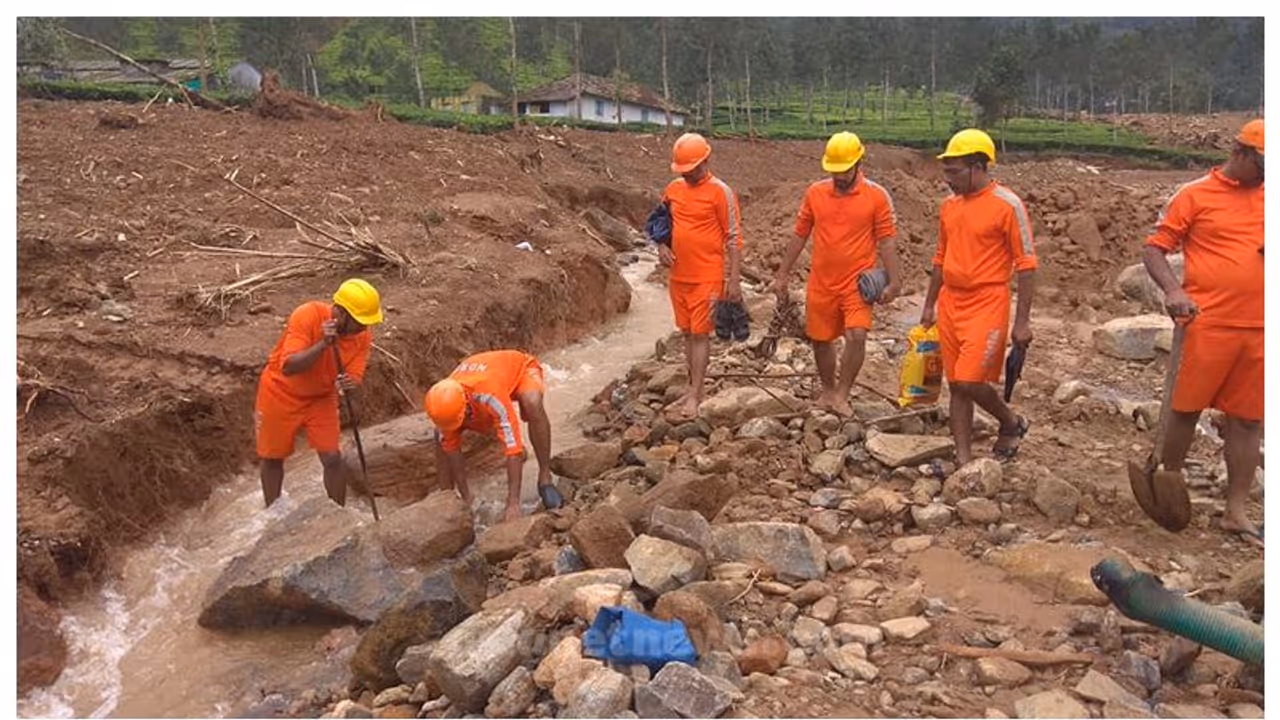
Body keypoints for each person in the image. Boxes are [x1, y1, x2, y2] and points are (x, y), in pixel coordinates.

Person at [1141, 118, 1264, 545]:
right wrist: (1174, 291)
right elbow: (1154, 249)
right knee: (1185, 410)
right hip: (1207, 322)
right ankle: (1167, 490)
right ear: (1240, 153)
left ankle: (1236, 511)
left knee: (1248, 420)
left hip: (1260, 328)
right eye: (1263, 166)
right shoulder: (1195, 195)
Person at [920, 128, 1037, 465]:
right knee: (956, 384)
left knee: (970, 379)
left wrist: (1022, 322)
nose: (948, 179)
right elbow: (940, 258)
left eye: (954, 172)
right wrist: (929, 304)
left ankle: (1010, 421)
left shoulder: (1007, 205)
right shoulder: (949, 207)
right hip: (951, 302)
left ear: (978, 166)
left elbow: (1026, 265)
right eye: (946, 171)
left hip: (987, 301)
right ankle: (963, 461)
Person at [773, 131, 902, 416]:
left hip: (857, 283)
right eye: (835, 171)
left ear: (858, 163)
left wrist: (894, 282)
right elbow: (799, 234)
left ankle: (842, 394)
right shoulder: (815, 193)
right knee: (821, 339)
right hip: (822, 282)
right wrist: (782, 274)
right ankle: (828, 390)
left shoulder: (876, 196)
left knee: (856, 335)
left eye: (845, 170)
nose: (839, 176)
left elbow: (887, 241)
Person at [255, 278, 383, 508]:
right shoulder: (308, 315)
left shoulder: (363, 337)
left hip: (321, 397)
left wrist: (349, 384)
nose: (364, 328)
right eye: (359, 322)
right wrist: (324, 344)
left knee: (333, 457)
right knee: (273, 458)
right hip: (280, 392)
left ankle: (338, 513)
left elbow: (354, 376)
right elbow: (289, 367)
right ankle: (272, 511)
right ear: (340, 313)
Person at [660, 132, 745, 420]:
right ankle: (691, 388)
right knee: (686, 332)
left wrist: (734, 280)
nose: (687, 174)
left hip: (707, 276)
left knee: (700, 334)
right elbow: (662, 224)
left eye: (691, 169)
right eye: (683, 170)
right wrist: (661, 246)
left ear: (705, 161)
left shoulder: (721, 192)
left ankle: (696, 394)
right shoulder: (673, 189)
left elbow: (733, 237)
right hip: (678, 276)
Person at [424, 349, 559, 523]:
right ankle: (446, 496)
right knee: (440, 435)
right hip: (485, 381)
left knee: (532, 402)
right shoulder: (444, 403)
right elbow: (452, 448)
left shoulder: (490, 396)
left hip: (521, 370)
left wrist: (513, 504)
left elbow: (512, 450)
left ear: (465, 406)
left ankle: (545, 476)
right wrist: (466, 498)